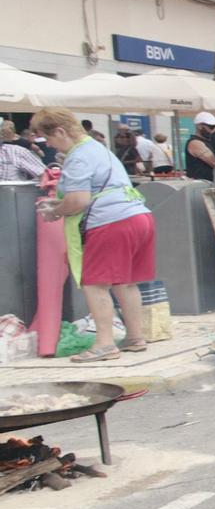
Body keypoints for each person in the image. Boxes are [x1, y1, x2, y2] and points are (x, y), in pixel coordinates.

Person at [30, 107, 155, 363]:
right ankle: (135, 337)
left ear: (61, 132)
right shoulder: (97, 147)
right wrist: (61, 205)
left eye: (49, 138)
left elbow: (78, 200)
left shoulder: (78, 157)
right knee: (126, 281)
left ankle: (104, 344)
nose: (50, 146)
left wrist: (56, 212)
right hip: (138, 216)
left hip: (110, 222)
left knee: (95, 282)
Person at [184, 111, 215, 179]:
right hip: (201, 184)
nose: (213, 130)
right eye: (211, 127)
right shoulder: (195, 142)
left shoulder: (209, 141)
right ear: (199, 126)